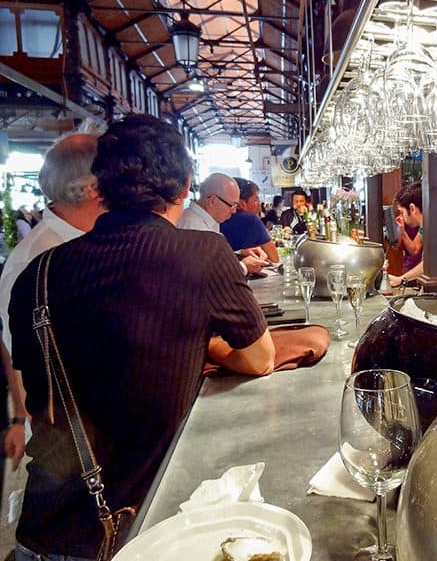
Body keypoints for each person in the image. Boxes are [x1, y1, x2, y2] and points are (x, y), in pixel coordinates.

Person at [8, 115, 275, 560]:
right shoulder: (202, 253)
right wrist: (201, 341)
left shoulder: (36, 274)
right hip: (128, 535)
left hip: (40, 535)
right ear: (186, 186)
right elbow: (260, 357)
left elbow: (39, 383)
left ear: (102, 186)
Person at [0, 133, 106, 472]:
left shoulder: (90, 241)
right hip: (71, 441)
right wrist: (21, 418)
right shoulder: (38, 257)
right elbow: (14, 349)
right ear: (93, 187)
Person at [178, 172, 266, 274]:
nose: (234, 211)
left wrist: (241, 253)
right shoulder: (193, 227)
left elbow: (211, 257)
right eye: (232, 205)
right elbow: (204, 274)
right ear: (213, 201)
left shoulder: (206, 220)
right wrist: (243, 267)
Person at [388, 182, 437, 287]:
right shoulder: (427, 226)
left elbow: (434, 263)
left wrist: (401, 279)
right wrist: (402, 230)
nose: (401, 216)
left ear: (412, 208)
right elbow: (415, 249)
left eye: (402, 212)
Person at [220, 178, 279, 263]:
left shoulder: (218, 218)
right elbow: (274, 258)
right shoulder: (251, 220)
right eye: (256, 200)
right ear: (242, 203)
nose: (259, 204)